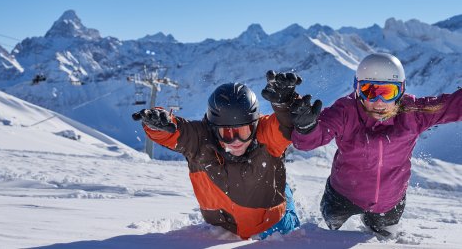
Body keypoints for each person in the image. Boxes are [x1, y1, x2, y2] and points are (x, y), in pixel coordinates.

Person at [289, 53, 462, 236]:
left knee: (384, 240)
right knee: (330, 235)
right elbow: (313, 138)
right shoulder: (345, 110)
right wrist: (307, 128)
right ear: (358, 89)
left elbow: (451, 106)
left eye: (388, 92)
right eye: (370, 91)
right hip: (342, 196)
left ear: (400, 91)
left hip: (389, 203)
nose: (379, 102)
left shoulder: (413, 112)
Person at [132, 72, 302, 240]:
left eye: (243, 131)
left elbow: (284, 126)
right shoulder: (200, 141)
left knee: (285, 206)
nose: (236, 141)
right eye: (227, 133)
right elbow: (177, 132)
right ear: (214, 129)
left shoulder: (265, 136)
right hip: (223, 229)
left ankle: (284, 190)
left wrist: (285, 105)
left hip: (273, 226)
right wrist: (158, 124)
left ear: (254, 125)